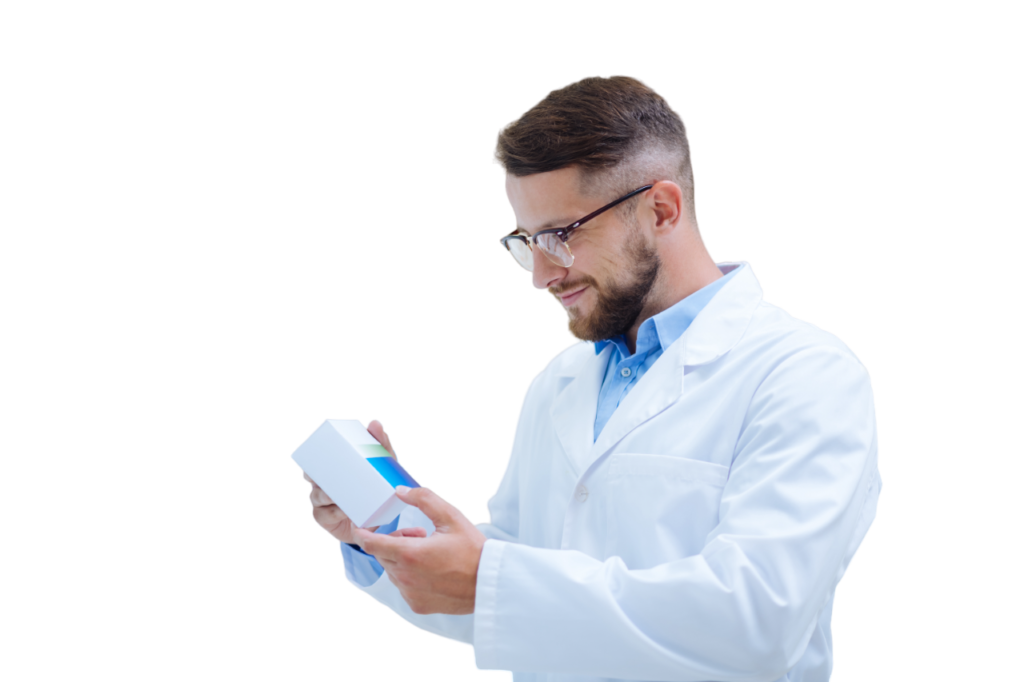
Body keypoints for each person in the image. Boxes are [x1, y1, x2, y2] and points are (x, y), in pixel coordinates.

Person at [301, 74, 881, 682]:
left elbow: (758, 622)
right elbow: (500, 605)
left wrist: (492, 577)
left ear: (661, 209)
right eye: (527, 241)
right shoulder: (560, 381)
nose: (541, 274)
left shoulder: (805, 374)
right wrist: (389, 531)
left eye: (560, 235)